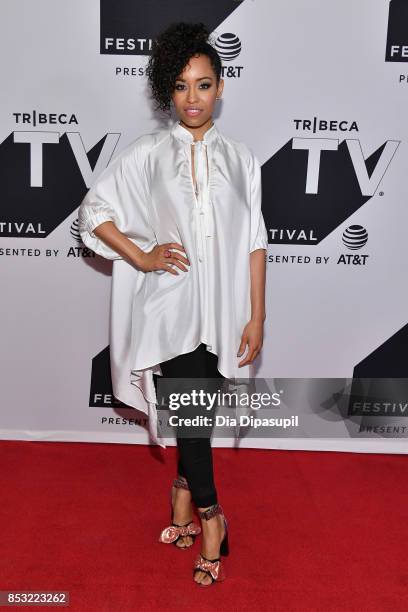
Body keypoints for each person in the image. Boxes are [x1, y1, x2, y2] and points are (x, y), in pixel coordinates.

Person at [78, 21, 268, 586]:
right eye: (181, 86)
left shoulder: (242, 159)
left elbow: (255, 240)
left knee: (197, 419)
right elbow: (95, 211)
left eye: (204, 84)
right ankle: (212, 518)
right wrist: (140, 257)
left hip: (225, 311)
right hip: (174, 307)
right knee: (191, 415)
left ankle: (181, 494)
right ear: (168, 91)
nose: (193, 98)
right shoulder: (148, 153)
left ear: (221, 87)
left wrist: (257, 314)